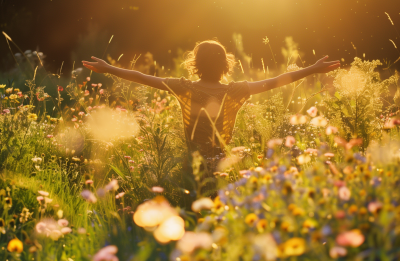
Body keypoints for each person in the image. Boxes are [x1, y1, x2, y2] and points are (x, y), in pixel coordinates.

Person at [82, 39, 340, 176]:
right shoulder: (235, 90)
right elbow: (276, 81)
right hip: (223, 162)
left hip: (192, 163)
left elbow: (141, 77)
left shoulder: (185, 88)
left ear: (195, 64)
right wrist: (313, 69)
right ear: (225, 65)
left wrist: (108, 67)